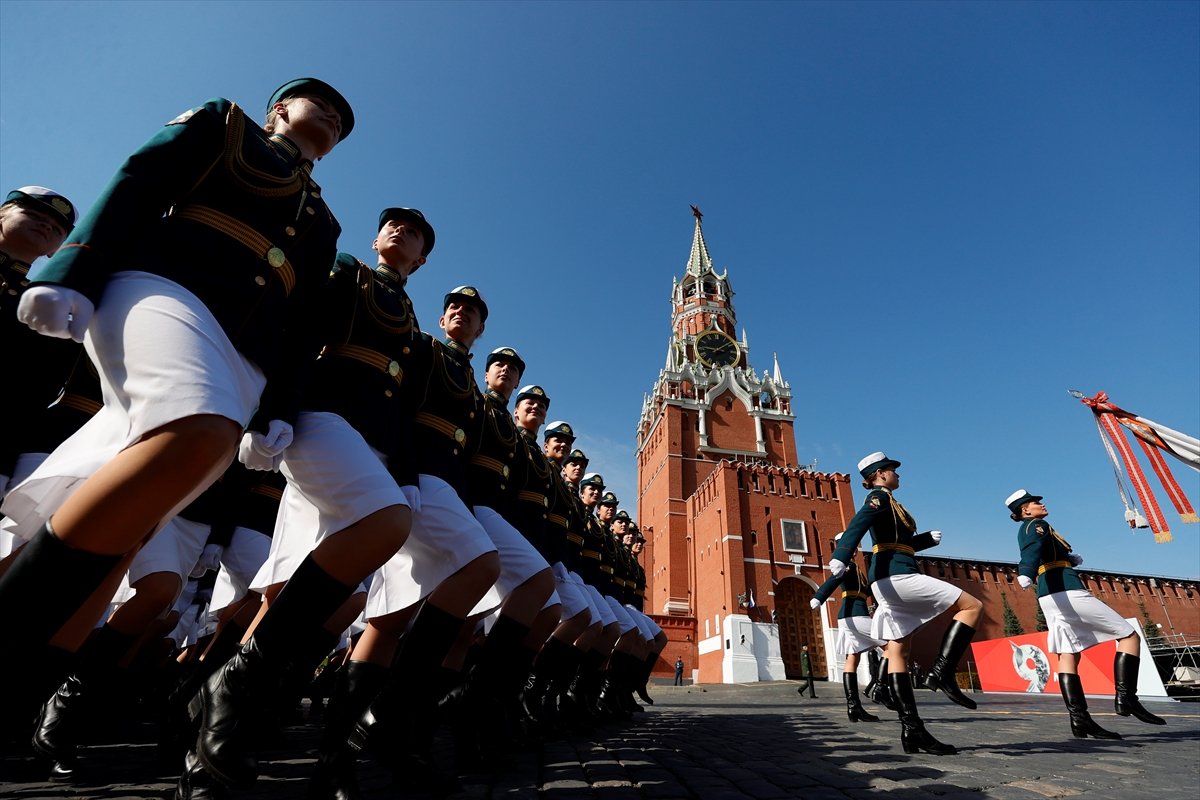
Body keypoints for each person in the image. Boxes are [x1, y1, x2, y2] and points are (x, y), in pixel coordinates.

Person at [0, 78, 354, 665]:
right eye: (324, 106)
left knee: (132, 520)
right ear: (281, 109)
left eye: (342, 124)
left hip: (247, 353)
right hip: (169, 291)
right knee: (199, 428)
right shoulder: (226, 125)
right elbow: (140, 180)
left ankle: (30, 690)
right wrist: (73, 268)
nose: (334, 120)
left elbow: (303, 324)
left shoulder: (324, 220)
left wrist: (277, 408)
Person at [829, 452, 984, 755]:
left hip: (888, 576)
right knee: (972, 606)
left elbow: (896, 540)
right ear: (881, 474)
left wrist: (925, 540)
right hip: (898, 575)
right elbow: (858, 524)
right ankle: (942, 672)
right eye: (893, 470)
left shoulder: (891, 502)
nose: (898, 475)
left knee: (898, 650)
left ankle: (912, 730)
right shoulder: (878, 498)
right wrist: (841, 553)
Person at [1007, 488, 1165, 739]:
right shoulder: (1036, 525)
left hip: (1049, 594)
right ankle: (1127, 699)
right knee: (1129, 636)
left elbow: (1046, 552)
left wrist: (1068, 557)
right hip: (1067, 591)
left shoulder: (1037, 526)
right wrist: (1025, 570)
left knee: (1068, 654)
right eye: (1036, 502)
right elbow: (1031, 549)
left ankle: (1080, 720)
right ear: (1025, 510)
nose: (1042, 504)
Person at [0, 186, 78, 504]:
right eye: (32, 214)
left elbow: (37, 392)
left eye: (57, 228)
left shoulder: (48, 310)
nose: (46, 225)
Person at [810, 533, 884, 721]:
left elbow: (865, 590)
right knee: (891, 646)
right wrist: (819, 597)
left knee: (852, 658)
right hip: (855, 615)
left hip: (848, 617)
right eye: (852, 544)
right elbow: (833, 580)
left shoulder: (856, 568)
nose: (855, 547)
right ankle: (880, 687)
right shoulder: (846, 565)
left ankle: (854, 706)